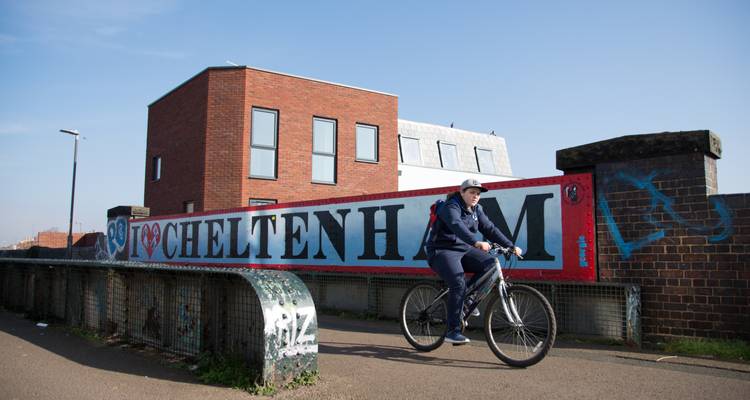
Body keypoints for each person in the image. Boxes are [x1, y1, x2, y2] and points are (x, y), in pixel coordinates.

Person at [425, 178, 523, 344]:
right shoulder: (451, 206)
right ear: (462, 192)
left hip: (464, 250)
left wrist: (510, 246)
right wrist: (476, 242)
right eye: (471, 192)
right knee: (458, 283)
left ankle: (467, 301)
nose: (475, 196)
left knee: (491, 264)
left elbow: (490, 229)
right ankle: (452, 331)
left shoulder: (477, 210)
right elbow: (456, 225)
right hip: (442, 251)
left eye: (478, 194)